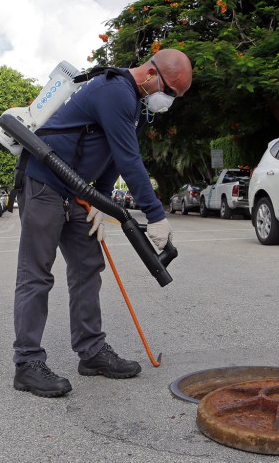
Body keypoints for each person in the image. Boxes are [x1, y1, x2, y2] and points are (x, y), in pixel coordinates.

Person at [12, 49, 193, 397]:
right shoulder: (114, 91)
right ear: (152, 74)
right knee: (37, 273)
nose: (168, 101)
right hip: (45, 184)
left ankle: (91, 351)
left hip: (77, 192)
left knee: (87, 267)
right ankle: (27, 363)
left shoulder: (135, 108)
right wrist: (155, 216)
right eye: (170, 92)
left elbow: (111, 156)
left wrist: (101, 200)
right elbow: (129, 159)